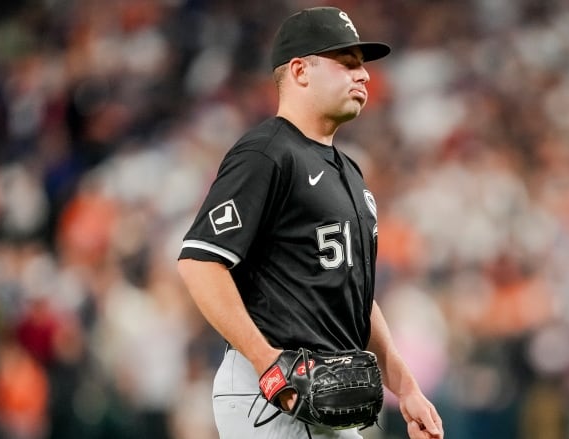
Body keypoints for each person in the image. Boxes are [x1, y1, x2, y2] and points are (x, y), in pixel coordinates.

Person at [176, 6, 443, 439]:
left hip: (330, 395)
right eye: (348, 63)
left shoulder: (350, 173)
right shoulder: (266, 154)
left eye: (363, 66)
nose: (365, 76)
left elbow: (355, 298)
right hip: (266, 399)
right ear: (300, 71)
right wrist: (267, 364)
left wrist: (406, 387)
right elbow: (200, 263)